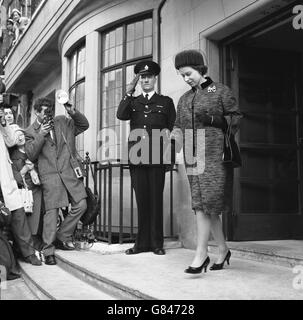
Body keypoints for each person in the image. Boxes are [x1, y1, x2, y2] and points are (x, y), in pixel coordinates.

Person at [173, 49, 242, 273]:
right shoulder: (183, 99)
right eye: (182, 75)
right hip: (193, 156)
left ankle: (201, 254)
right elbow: (178, 127)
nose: (186, 79)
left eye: (189, 73)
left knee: (208, 205)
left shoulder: (220, 90)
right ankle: (222, 250)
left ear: (200, 68)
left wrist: (214, 119)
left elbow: (236, 117)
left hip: (214, 155)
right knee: (202, 206)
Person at [117, 60, 176, 255]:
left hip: (158, 158)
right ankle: (141, 244)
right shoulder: (133, 102)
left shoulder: (165, 102)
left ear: (155, 79)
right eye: (142, 77)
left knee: (155, 201)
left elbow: (172, 131)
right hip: (137, 158)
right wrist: (128, 91)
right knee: (141, 200)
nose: (146, 80)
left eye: (149, 77)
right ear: (139, 80)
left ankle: (157, 244)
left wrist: (170, 160)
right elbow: (120, 114)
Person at [25, 97, 89, 265]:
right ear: (37, 112)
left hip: (68, 173)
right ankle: (48, 250)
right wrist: (41, 134)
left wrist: (71, 109)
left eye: (50, 110)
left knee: (81, 204)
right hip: (50, 177)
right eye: (44, 111)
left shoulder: (62, 122)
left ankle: (63, 234)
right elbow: (31, 154)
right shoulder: (30, 131)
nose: (48, 114)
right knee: (51, 214)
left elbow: (83, 125)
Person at [0, 108, 41, 266]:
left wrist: (3, 122)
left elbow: (11, 141)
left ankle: (29, 253)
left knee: (18, 214)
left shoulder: (6, 124)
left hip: (5, 178)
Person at [10, 128, 44, 250]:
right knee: (28, 221)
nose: (20, 137)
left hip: (38, 188)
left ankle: (37, 247)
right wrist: (26, 168)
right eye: (16, 136)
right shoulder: (13, 156)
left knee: (38, 220)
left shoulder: (33, 150)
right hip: (25, 191)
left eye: (21, 134)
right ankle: (29, 248)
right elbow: (14, 177)